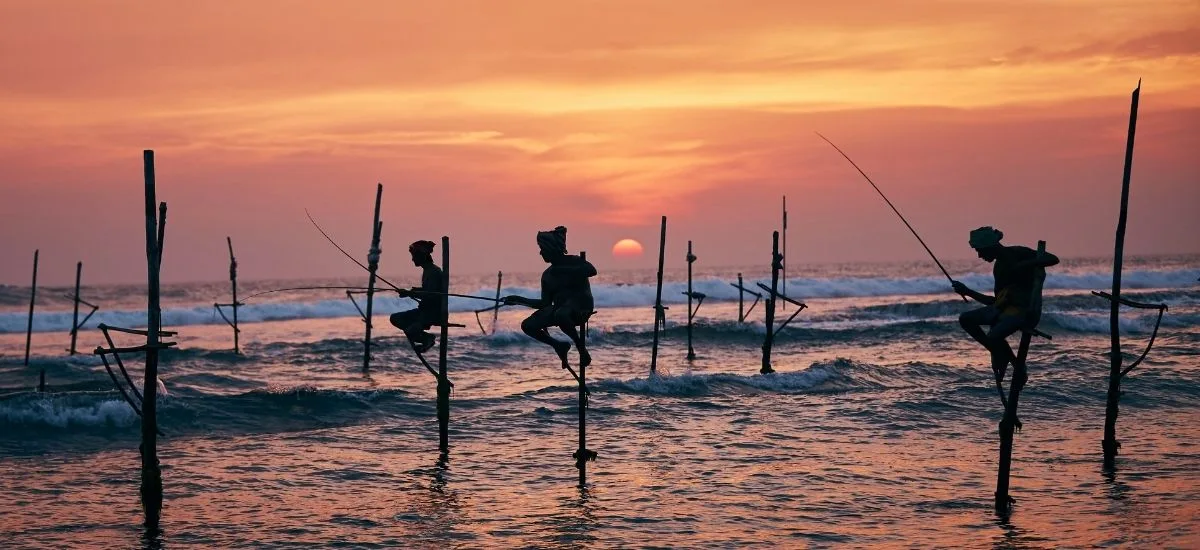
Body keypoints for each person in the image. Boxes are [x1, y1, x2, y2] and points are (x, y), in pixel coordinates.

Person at [951, 226, 1059, 378]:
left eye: (980, 251)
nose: (979, 255)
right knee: (965, 319)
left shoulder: (1019, 252)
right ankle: (1004, 356)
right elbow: (995, 301)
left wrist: (1022, 265)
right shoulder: (999, 268)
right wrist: (967, 291)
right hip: (1004, 310)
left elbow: (1053, 259)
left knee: (993, 336)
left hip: (1025, 311)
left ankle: (1015, 365)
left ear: (991, 247)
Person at [504, 226, 597, 369]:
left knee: (561, 314)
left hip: (580, 307)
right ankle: (558, 345)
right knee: (528, 325)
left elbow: (591, 270)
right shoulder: (547, 275)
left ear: (552, 248)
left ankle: (581, 349)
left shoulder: (573, 260)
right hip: (560, 309)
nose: (541, 252)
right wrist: (519, 300)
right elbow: (544, 303)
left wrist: (562, 270)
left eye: (543, 248)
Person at [389, 240, 444, 353]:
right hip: (424, 311)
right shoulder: (428, 270)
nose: (412, 259)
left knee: (410, 330)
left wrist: (410, 293)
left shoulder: (434, 272)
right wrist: (412, 291)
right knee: (395, 318)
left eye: (414, 256)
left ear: (422, 256)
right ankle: (425, 337)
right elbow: (427, 290)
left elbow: (431, 295)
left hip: (432, 313)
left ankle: (427, 339)